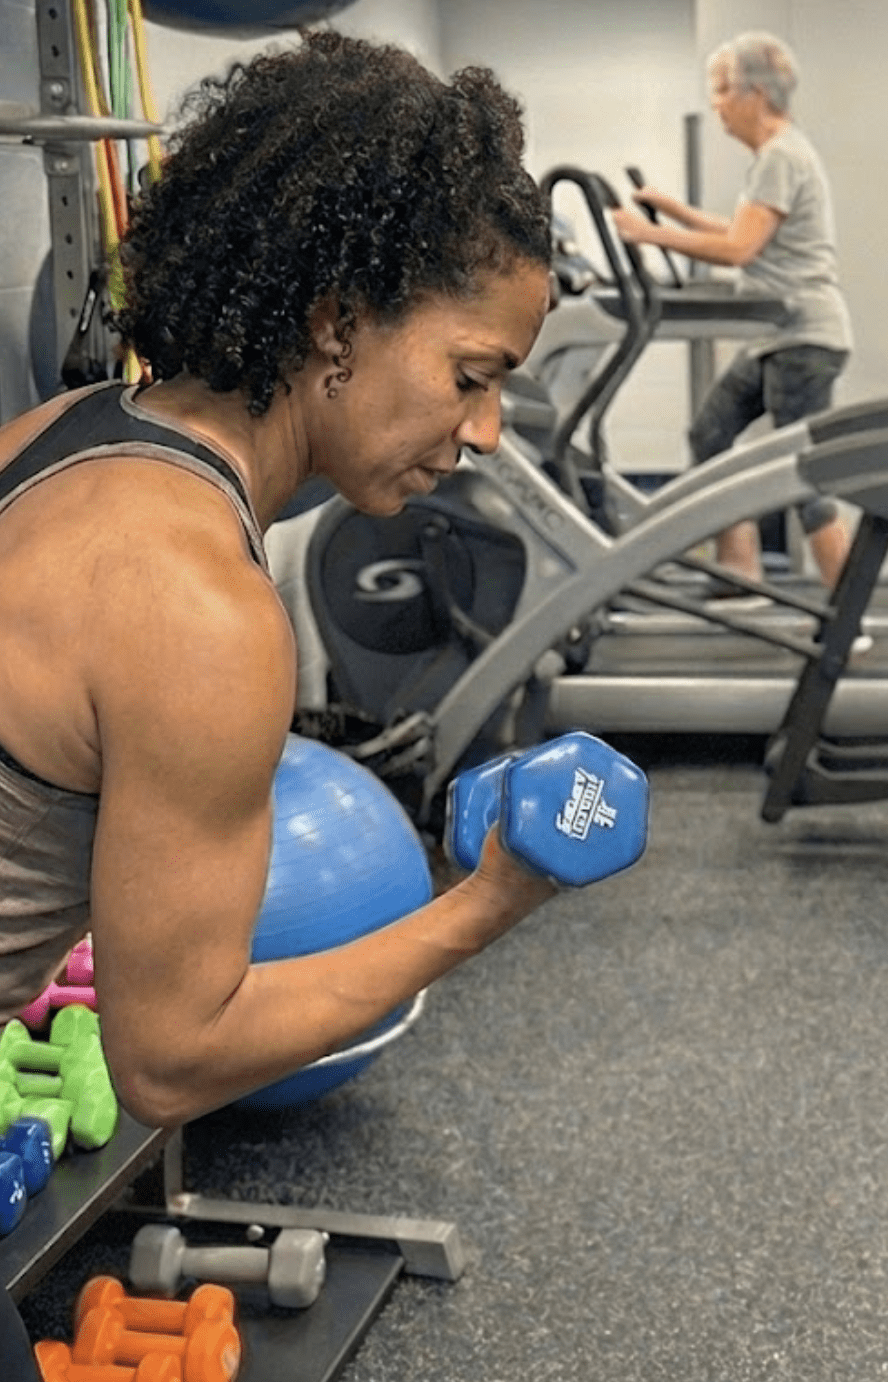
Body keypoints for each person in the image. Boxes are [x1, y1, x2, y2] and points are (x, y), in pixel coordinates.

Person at [0, 32, 561, 1127]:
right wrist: (491, 901)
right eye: (471, 376)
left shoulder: (61, 431)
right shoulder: (201, 610)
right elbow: (173, 1059)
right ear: (336, 322)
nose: (487, 430)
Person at [610, 31, 856, 595]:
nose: (715, 103)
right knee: (710, 434)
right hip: (779, 338)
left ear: (756, 94)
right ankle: (739, 571)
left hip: (803, 339)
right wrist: (670, 210)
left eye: (722, 89)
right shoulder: (778, 156)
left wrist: (647, 234)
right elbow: (741, 230)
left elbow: (738, 249)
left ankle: (849, 609)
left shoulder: (781, 155)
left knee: (804, 478)